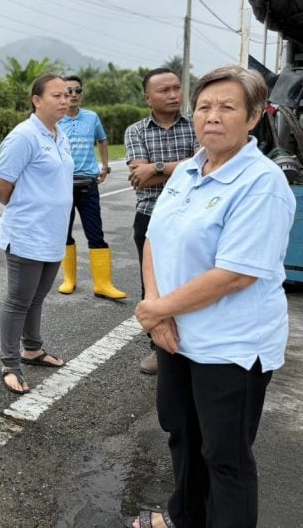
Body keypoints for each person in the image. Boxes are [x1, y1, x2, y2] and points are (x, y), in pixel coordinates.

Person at [131, 66, 294, 528]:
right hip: (178, 335)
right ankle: (185, 517)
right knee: (182, 433)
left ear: (254, 116)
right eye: (204, 106)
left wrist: (158, 308)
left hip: (231, 346)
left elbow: (236, 275)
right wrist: (159, 316)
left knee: (225, 457)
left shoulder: (262, 183)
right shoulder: (187, 170)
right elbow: (153, 240)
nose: (212, 116)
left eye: (227, 107)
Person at [0, 73, 72, 395]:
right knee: (18, 300)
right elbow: (1, 186)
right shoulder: (24, 136)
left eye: (67, 95)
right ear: (36, 100)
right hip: (27, 233)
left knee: (36, 297)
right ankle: (10, 363)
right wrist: (25, 208)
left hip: (53, 233)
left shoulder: (59, 134)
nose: (64, 100)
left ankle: (33, 349)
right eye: (56, 96)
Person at [124, 67, 197, 375]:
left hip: (194, 216)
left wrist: (157, 168)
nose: (173, 95)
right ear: (147, 98)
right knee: (152, 285)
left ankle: (192, 344)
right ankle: (158, 349)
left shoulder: (197, 126)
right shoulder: (136, 130)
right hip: (150, 217)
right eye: (164, 90)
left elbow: (206, 168)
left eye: (177, 88)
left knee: (192, 281)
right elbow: (139, 178)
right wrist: (185, 167)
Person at [56, 75, 126, 299]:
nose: (73, 95)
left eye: (77, 90)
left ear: (82, 93)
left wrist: (104, 166)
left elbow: (102, 140)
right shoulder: (55, 120)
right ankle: (69, 280)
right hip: (62, 184)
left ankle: (103, 284)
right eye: (68, 91)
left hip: (88, 184)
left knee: (95, 233)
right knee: (63, 233)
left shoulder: (91, 117)